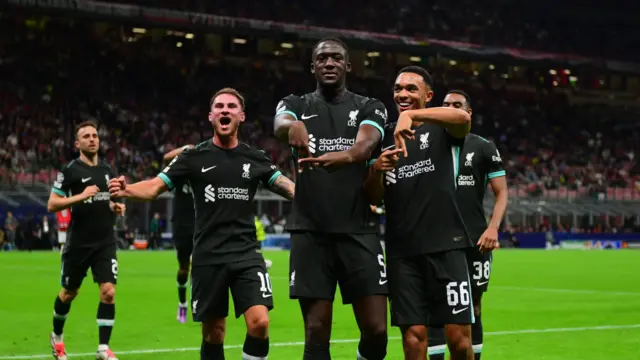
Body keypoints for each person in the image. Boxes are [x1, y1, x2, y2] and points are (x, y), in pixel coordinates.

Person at [109, 87, 295, 360]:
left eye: (231, 106)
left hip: (246, 254)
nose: (225, 110)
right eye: (219, 106)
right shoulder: (193, 157)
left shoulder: (255, 158)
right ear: (210, 116)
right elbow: (153, 187)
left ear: (241, 116)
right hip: (209, 255)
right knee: (214, 333)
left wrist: (328, 197)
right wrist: (127, 189)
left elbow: (290, 189)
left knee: (260, 323)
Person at [274, 37, 389, 360]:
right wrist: (292, 125)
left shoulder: (369, 106)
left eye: (336, 58)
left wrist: (347, 156)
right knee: (315, 332)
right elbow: (280, 122)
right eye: (322, 58)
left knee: (377, 331)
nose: (329, 63)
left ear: (347, 66)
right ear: (312, 67)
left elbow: (367, 146)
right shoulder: (296, 104)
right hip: (311, 231)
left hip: (359, 229)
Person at [364, 66, 474, 360]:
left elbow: (463, 118)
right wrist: (376, 171)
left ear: (429, 95)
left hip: (446, 246)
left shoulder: (441, 127)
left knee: (459, 341)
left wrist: (412, 116)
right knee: (414, 340)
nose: (403, 94)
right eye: (398, 88)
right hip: (403, 253)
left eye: (411, 89)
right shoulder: (384, 136)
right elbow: (373, 197)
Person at [426, 90, 507, 360]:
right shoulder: (425, 144)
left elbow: (501, 192)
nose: (450, 109)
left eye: (457, 105)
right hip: (434, 238)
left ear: (468, 113)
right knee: (434, 306)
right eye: (446, 105)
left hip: (474, 239)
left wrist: (493, 227)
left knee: (474, 306)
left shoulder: (483, 146)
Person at [47, 121, 126, 360]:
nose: (92, 139)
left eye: (95, 135)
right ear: (77, 143)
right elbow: (52, 204)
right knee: (69, 293)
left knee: (109, 292)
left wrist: (115, 206)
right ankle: (57, 337)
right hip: (78, 243)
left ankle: (103, 348)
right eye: (86, 136)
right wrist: (81, 196)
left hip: (105, 242)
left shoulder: (106, 170)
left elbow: (106, 200)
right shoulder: (70, 171)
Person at [163, 144, 196, 323]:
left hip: (201, 224)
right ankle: (182, 303)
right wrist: (186, 148)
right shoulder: (179, 173)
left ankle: (198, 304)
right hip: (182, 225)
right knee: (184, 268)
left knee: (201, 266)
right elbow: (166, 158)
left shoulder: (204, 171)